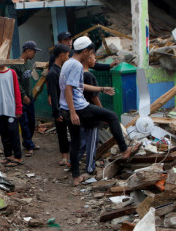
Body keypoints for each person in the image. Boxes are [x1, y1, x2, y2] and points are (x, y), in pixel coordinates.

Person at [59, 36, 138, 185]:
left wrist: (102, 89)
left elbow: (79, 85)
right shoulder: (76, 66)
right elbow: (68, 89)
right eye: (90, 53)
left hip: (65, 108)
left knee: (76, 142)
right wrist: (73, 112)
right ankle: (124, 149)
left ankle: (76, 177)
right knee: (113, 116)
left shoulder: (67, 63)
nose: (91, 56)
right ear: (85, 51)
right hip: (79, 107)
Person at [0, 65, 23, 166]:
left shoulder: (12, 73)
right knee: (3, 133)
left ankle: (18, 157)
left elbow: (17, 91)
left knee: (13, 133)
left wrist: (19, 107)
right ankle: (8, 156)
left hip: (11, 109)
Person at [11, 41, 41, 156]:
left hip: (30, 97)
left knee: (32, 121)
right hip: (21, 98)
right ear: (27, 50)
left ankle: (28, 142)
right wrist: (23, 96)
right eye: (33, 51)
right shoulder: (16, 65)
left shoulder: (29, 63)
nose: (34, 54)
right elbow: (16, 83)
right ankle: (29, 145)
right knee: (24, 122)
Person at [46, 44, 71, 166]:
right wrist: (56, 111)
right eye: (67, 55)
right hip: (60, 107)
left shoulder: (61, 70)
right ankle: (64, 156)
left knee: (69, 132)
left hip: (67, 105)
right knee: (62, 133)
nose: (68, 57)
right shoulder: (52, 73)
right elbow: (54, 94)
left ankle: (69, 156)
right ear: (61, 55)